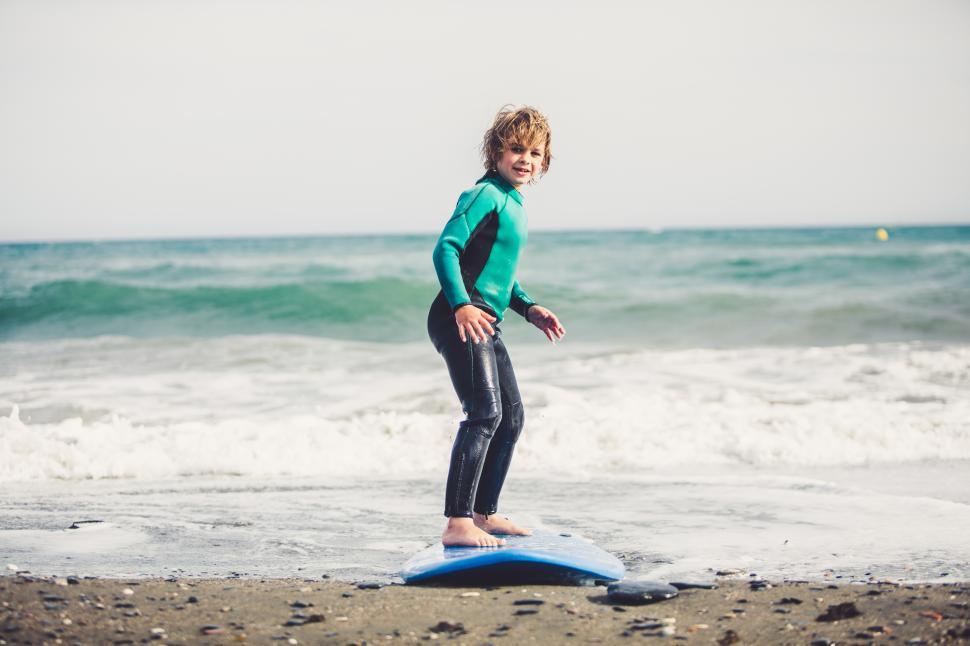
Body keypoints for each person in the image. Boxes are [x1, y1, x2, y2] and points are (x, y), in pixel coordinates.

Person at [427, 106, 566, 547]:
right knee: (484, 413)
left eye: (534, 152)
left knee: (511, 417)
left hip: (485, 317)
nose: (525, 158)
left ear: (544, 162)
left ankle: (484, 514)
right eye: (515, 149)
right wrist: (462, 305)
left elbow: (499, 273)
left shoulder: (514, 203)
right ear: (496, 152)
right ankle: (457, 522)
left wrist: (529, 307)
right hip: (460, 317)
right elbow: (446, 250)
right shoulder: (482, 195)